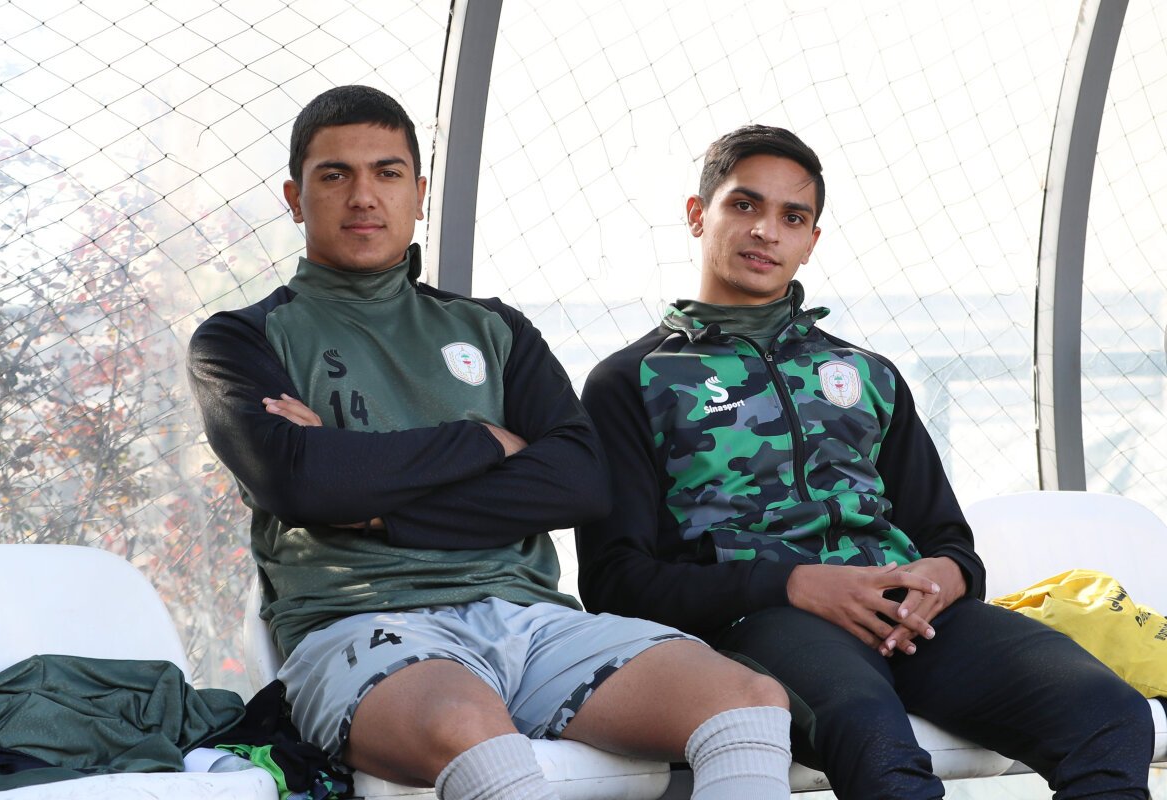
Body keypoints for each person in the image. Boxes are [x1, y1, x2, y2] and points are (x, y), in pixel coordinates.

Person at [187, 86, 795, 800]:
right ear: (295, 198)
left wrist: (372, 502)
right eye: (334, 174)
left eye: (387, 173)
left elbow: (578, 481)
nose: (363, 195)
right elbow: (301, 482)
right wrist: (480, 439)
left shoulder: (495, 329)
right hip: (359, 620)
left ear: (419, 194)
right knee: (469, 725)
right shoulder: (240, 339)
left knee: (749, 701)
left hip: (532, 622)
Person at [575, 123, 1154, 799]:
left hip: (908, 618)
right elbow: (616, 581)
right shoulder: (634, 381)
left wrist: (945, 574)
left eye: (792, 217)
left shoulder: (864, 372)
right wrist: (794, 584)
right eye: (744, 204)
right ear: (698, 215)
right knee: (876, 743)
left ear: (811, 241)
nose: (766, 231)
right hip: (758, 623)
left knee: (1110, 714)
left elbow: (948, 540)